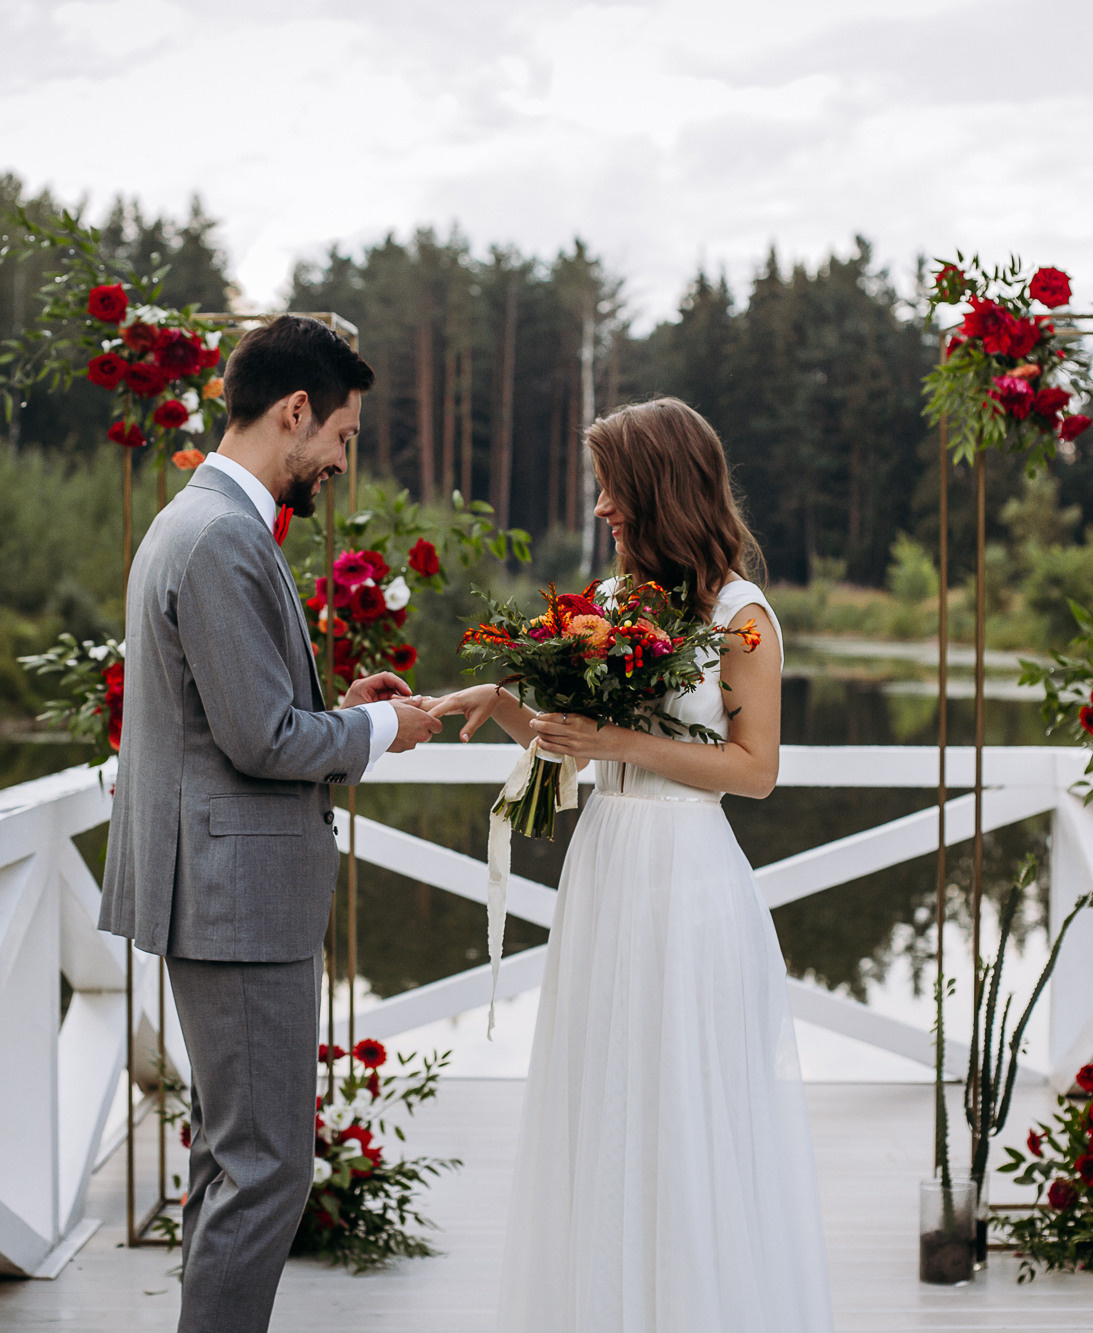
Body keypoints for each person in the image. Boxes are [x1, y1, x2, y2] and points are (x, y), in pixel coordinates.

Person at [432, 397, 834, 1332]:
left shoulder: (742, 617)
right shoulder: (611, 606)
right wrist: (495, 697)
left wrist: (616, 735)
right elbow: (570, 744)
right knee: (602, 1099)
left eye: (613, 487)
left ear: (660, 488)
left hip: (685, 874)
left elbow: (756, 770)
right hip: (606, 866)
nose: (603, 507)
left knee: (680, 1110)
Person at [98, 315, 442, 1333]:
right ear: (295, 410)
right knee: (266, 1170)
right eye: (340, 434)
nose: (340, 458)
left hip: (217, 893)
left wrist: (340, 704)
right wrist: (382, 726)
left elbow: (233, 716)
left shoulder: (200, 520)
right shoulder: (219, 536)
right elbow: (255, 742)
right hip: (235, 904)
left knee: (231, 1159)